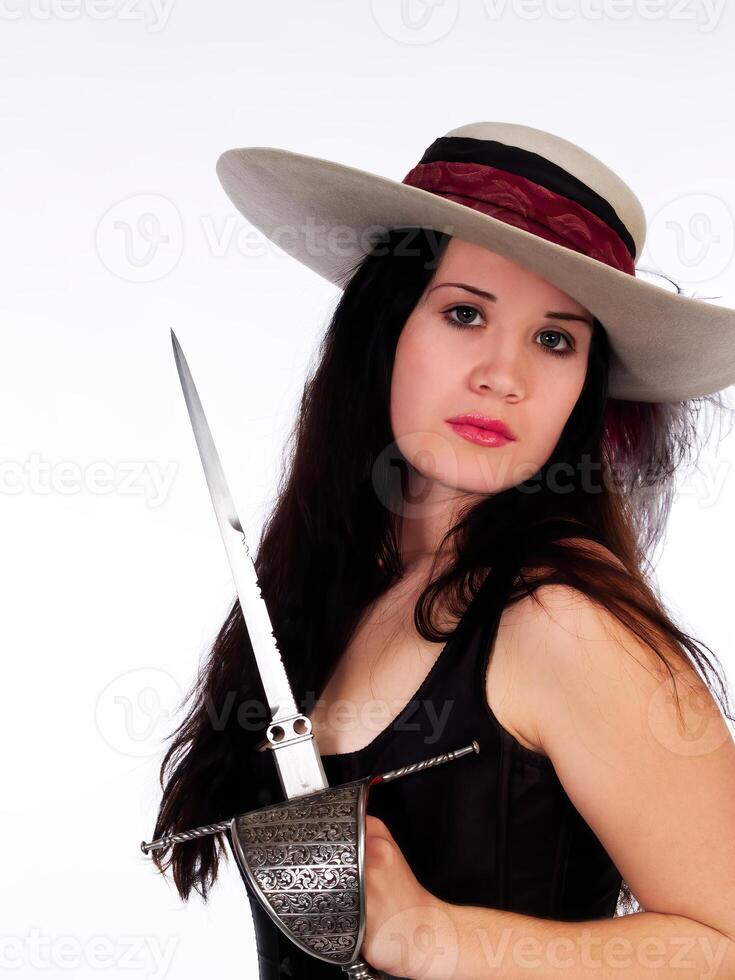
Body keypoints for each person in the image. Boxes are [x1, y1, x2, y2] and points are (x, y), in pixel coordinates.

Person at [148, 122, 735, 979]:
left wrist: (438, 939)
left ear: (583, 388)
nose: (505, 374)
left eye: (555, 339)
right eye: (464, 314)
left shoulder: (559, 618)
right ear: (383, 330)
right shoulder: (333, 599)